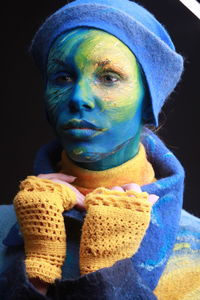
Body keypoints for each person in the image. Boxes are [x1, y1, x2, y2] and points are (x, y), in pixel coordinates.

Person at [0, 0, 200, 299]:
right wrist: (37, 272)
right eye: (62, 77)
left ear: (150, 101)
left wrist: (111, 272)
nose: (79, 97)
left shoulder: (194, 245)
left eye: (108, 77)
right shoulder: (6, 227)